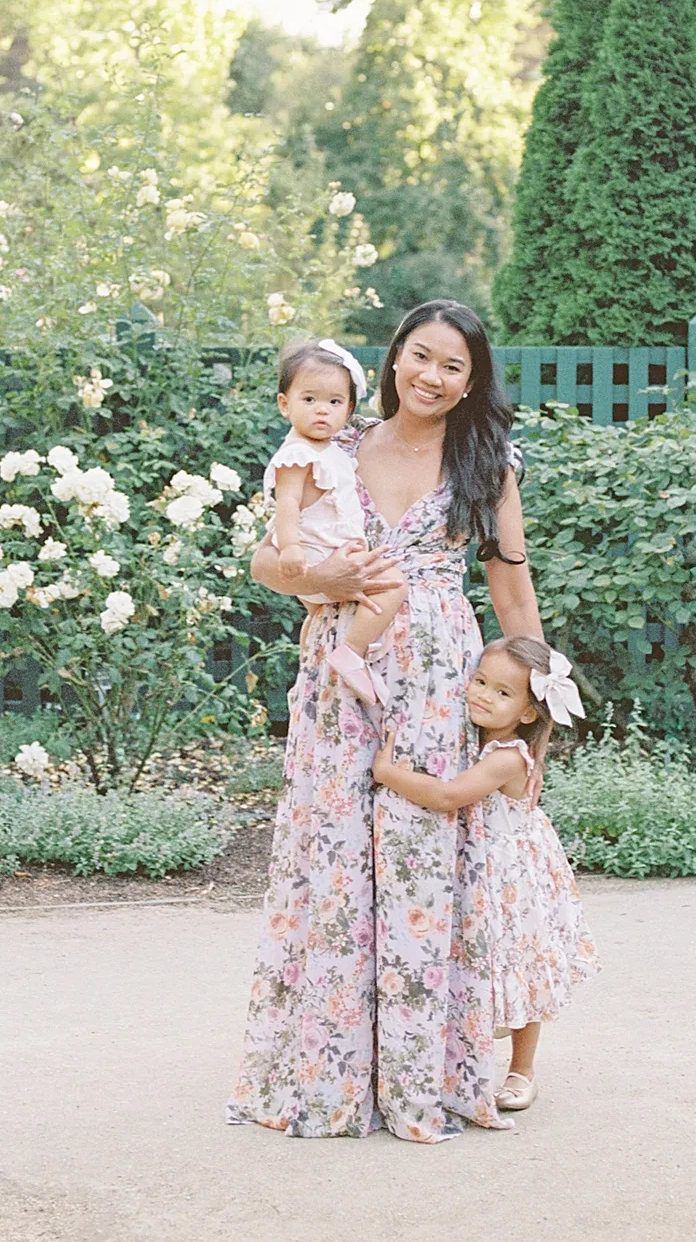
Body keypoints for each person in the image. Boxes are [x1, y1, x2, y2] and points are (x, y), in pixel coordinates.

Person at [227, 299, 544, 1143]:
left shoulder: (486, 459)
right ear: (395, 354)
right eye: (421, 356)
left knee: (421, 855)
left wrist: (533, 709)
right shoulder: (333, 442)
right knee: (330, 856)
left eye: (453, 366)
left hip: (442, 675)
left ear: (472, 381)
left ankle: (420, 1072)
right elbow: (268, 558)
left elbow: (512, 589)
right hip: (341, 667)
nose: (432, 377)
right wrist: (322, 578)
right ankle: (330, 1072)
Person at [373, 635, 600, 1113]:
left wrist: (386, 772)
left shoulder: (507, 757)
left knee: (519, 965)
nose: (481, 695)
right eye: (479, 682)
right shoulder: (471, 737)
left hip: (509, 876)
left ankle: (523, 1069)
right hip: (480, 869)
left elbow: (449, 796)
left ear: (528, 713)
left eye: (501, 693)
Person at [263, 336, 407, 707]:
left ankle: (309, 666)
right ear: (284, 404)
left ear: (348, 409)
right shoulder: (296, 453)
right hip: (312, 554)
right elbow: (288, 502)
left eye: (334, 402)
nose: (321, 411)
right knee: (393, 583)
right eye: (309, 400)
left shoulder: (328, 450)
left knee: (316, 616)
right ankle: (352, 653)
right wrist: (291, 547)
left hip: (321, 555)